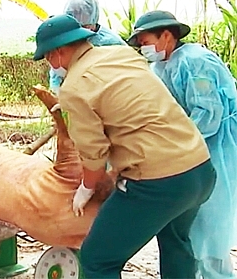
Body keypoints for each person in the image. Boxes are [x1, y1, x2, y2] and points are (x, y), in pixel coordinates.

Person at [33, 14, 216, 278]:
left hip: (158, 181)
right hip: (199, 168)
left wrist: (86, 187)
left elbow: (93, 154)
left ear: (58, 52)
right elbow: (124, 99)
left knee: (98, 259)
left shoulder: (73, 87)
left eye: (48, 58)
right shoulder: (121, 55)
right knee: (176, 244)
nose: (51, 65)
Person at [128, 10, 237, 279]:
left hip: (216, 149)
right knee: (189, 227)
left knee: (210, 226)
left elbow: (208, 115)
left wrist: (176, 148)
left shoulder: (196, 62)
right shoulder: (160, 67)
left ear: (166, 35)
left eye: (145, 41)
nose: (143, 49)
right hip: (186, 152)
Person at [49, 0, 125, 94]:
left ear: (93, 21)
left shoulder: (111, 42)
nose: (79, 33)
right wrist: (56, 90)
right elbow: (57, 68)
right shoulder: (67, 38)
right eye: (75, 27)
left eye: (84, 27)